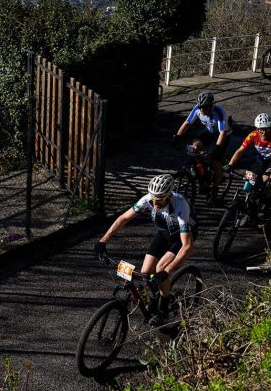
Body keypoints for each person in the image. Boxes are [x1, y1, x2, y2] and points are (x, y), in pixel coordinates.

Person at [95, 173, 198, 326]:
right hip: (164, 233)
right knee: (145, 272)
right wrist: (103, 241)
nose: (155, 203)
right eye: (153, 199)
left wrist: (167, 271)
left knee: (160, 268)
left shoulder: (180, 206)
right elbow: (124, 218)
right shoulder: (148, 199)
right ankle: (160, 294)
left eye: (159, 200)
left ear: (169, 197)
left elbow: (187, 246)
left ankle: (163, 309)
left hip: (181, 237)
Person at [174, 90, 231, 204]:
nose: (201, 110)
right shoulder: (197, 108)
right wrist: (177, 136)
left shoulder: (219, 111)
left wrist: (217, 148)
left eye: (204, 108)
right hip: (209, 132)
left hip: (223, 135)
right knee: (194, 146)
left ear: (211, 106)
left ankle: (214, 194)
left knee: (215, 163)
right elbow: (187, 123)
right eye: (200, 107)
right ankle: (201, 171)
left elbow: (222, 133)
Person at [226, 112, 271, 191]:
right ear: (257, 129)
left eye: (267, 129)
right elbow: (240, 150)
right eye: (261, 129)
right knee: (249, 179)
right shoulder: (253, 135)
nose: (264, 132)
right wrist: (230, 164)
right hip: (259, 161)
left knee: (265, 180)